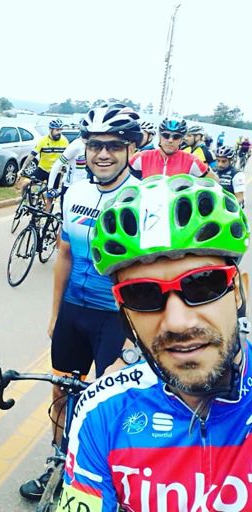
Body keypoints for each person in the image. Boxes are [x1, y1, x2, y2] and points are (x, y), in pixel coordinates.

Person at [58, 174, 251, 511]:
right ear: (123, 312)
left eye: (202, 284)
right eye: (143, 294)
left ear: (238, 291)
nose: (177, 322)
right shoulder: (101, 412)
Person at [19, 103, 142, 501]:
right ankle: (57, 462)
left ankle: (101, 479)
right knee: (62, 390)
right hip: (74, 310)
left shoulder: (142, 198)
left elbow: (147, 275)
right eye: (94, 145)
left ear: (131, 149)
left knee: (107, 404)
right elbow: (65, 255)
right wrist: (55, 314)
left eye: (113, 145)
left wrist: (135, 337)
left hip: (117, 319)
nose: (102, 154)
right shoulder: (76, 192)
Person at [18, 119, 69, 211]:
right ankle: (25, 202)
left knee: (50, 197)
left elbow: (68, 158)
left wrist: (65, 169)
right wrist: (22, 169)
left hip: (55, 172)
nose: (59, 132)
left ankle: (45, 216)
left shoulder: (64, 141)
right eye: (57, 130)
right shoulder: (43, 141)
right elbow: (31, 156)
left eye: (60, 130)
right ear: (50, 130)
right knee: (25, 184)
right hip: (42, 169)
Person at [46, 133, 86, 213]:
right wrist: (50, 187)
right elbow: (57, 165)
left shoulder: (94, 146)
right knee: (66, 217)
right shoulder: (76, 145)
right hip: (70, 188)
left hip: (85, 188)